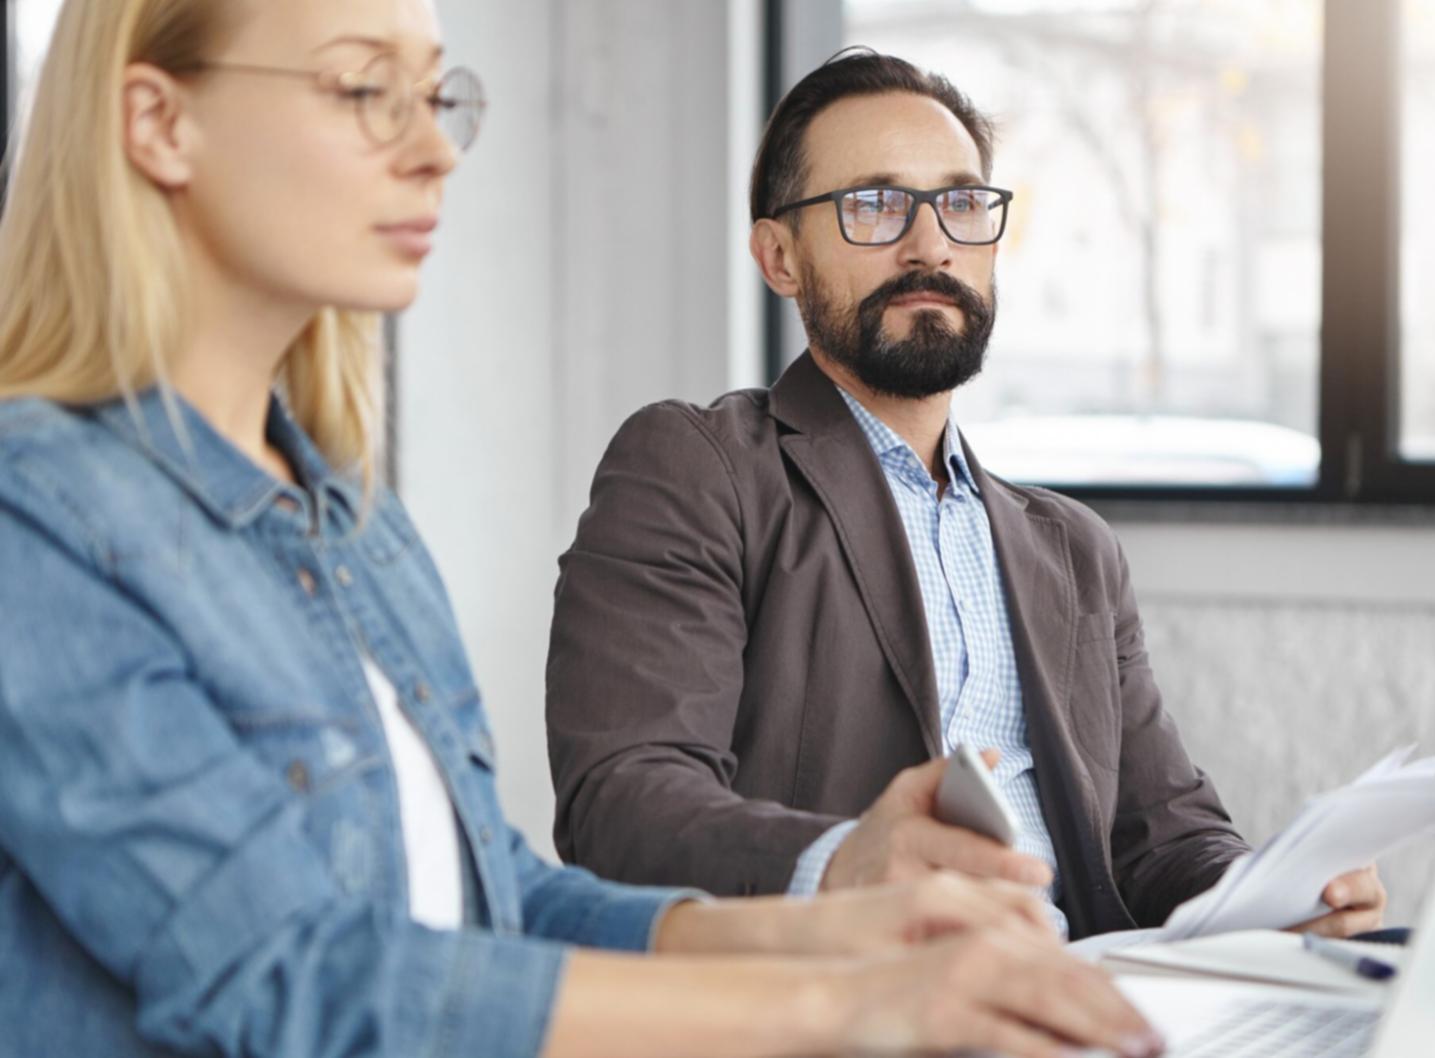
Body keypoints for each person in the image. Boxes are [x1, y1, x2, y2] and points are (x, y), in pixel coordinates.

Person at [0, 4, 1167, 1057]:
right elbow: (288, 972)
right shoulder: (36, 520)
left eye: (439, 96)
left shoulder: (351, 521)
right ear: (159, 124)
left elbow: (492, 895)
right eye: (365, 90)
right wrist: (848, 1001)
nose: (434, 147)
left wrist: (846, 907)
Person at [546, 49, 1387, 941]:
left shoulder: (1074, 549)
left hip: (1079, 995)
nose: (931, 243)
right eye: (872, 204)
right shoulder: (698, 467)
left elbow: (1162, 838)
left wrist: (1276, 899)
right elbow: (623, 803)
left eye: (960, 202)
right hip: (847, 1002)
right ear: (779, 256)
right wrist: (839, 865)